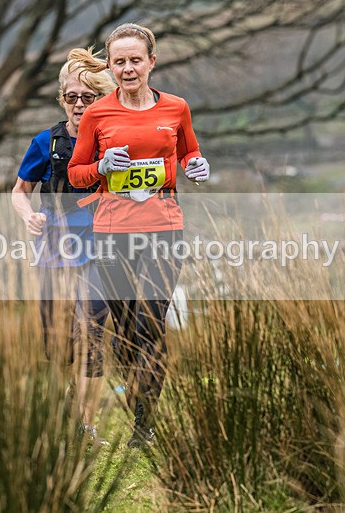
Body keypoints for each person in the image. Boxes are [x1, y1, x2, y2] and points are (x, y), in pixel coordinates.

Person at [67, 23, 210, 448]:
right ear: (110, 67)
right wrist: (103, 168)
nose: (128, 69)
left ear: (152, 62)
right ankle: (136, 404)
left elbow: (190, 152)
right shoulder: (97, 114)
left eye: (135, 60)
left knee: (150, 324)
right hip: (112, 232)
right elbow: (77, 175)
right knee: (128, 333)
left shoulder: (176, 108)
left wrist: (197, 168)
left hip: (164, 229)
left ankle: (144, 427)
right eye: (119, 62)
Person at [11, 48, 117, 443]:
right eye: (71, 96)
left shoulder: (112, 142)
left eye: (87, 97)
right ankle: (61, 418)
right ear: (62, 99)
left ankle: (87, 425)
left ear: (100, 101)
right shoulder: (45, 142)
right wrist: (29, 216)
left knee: (91, 331)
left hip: (99, 247)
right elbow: (19, 192)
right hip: (53, 247)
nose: (77, 104)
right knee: (56, 340)